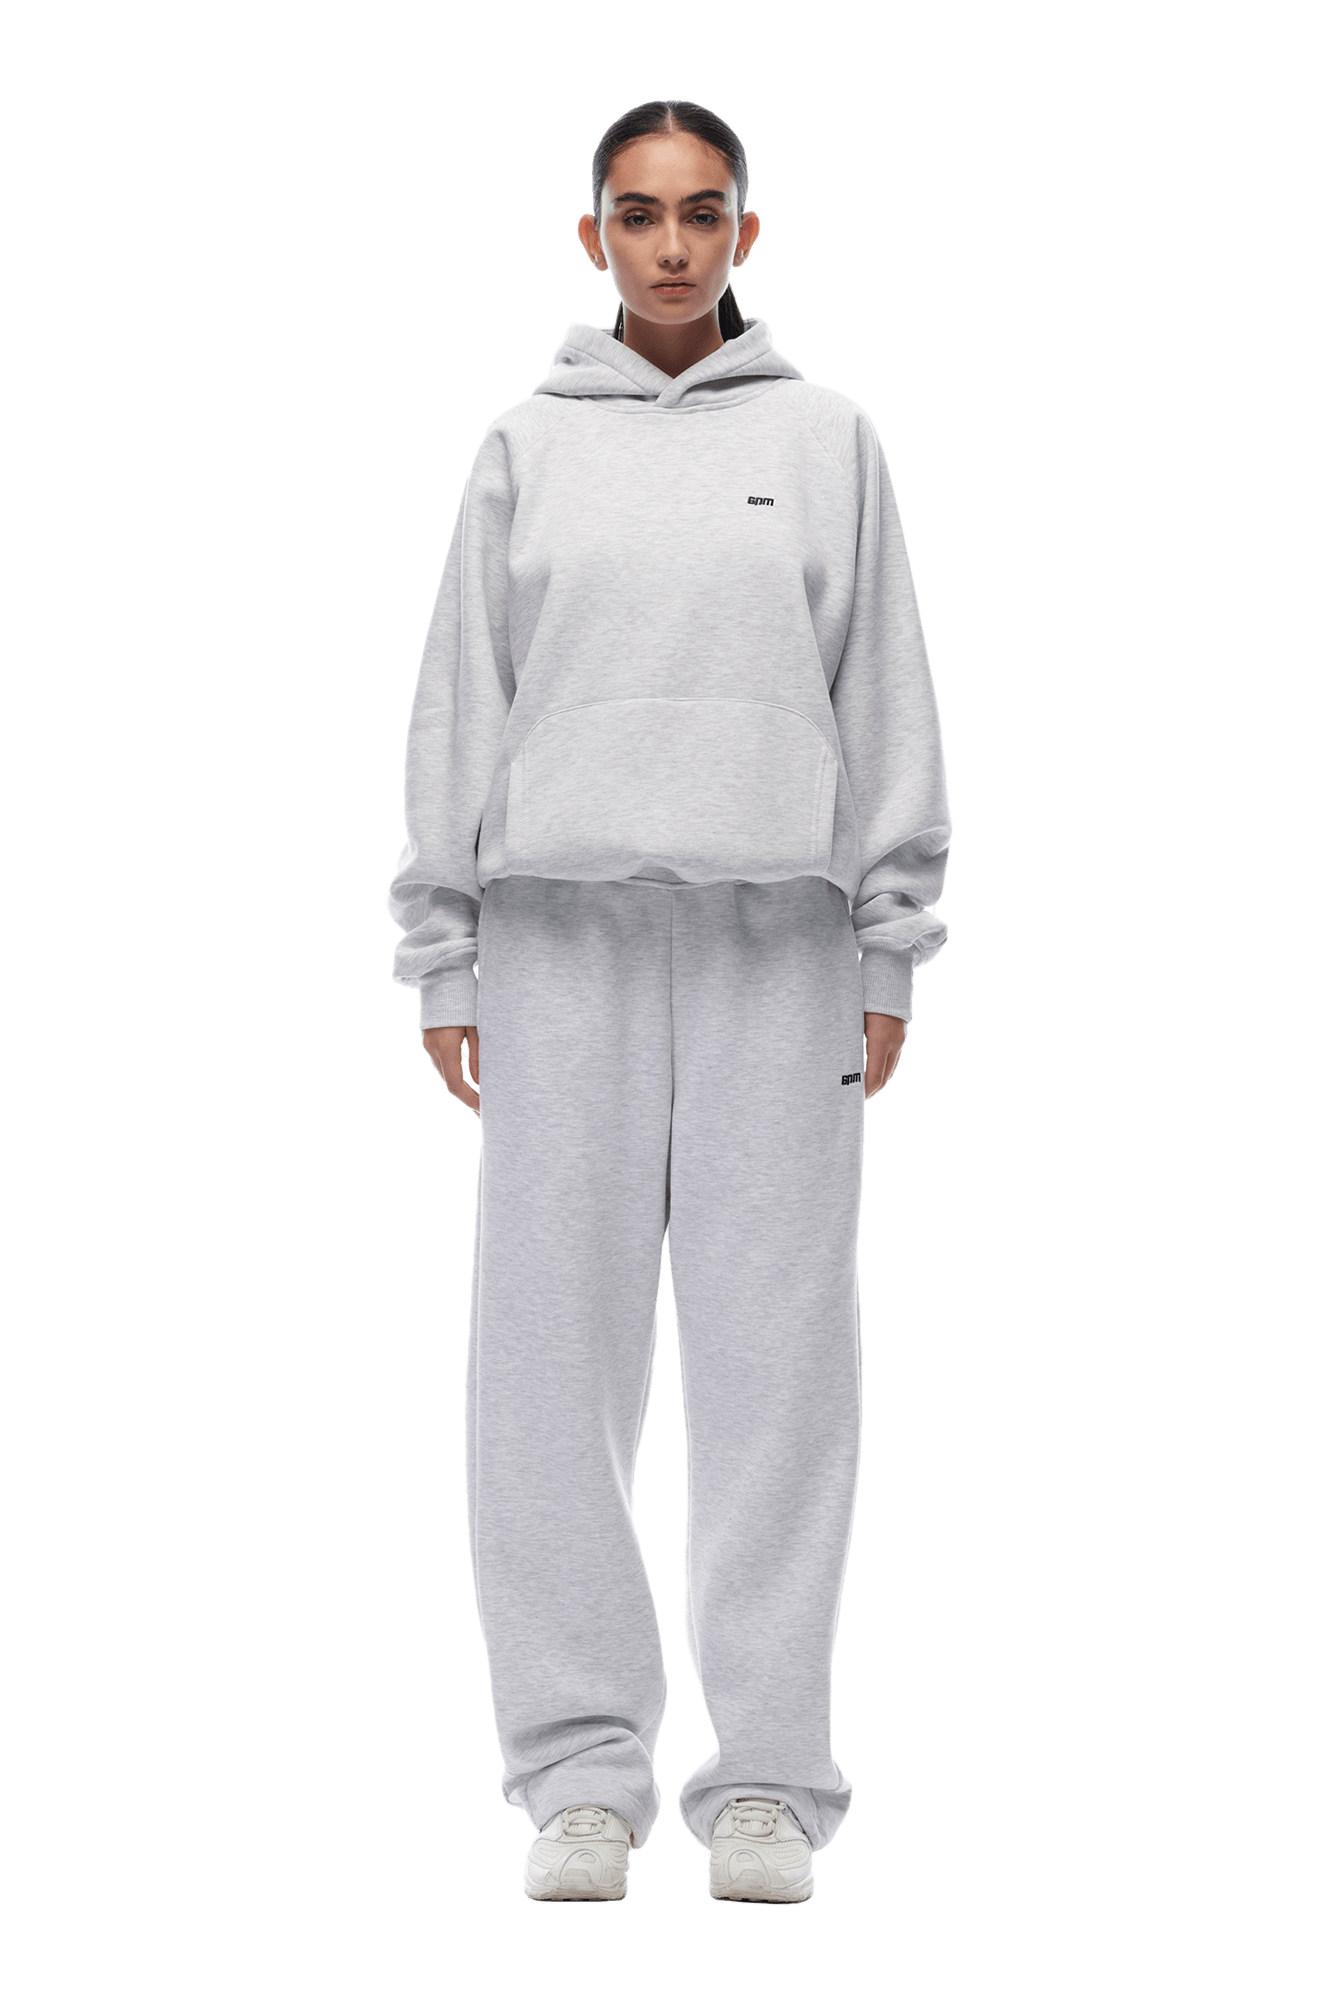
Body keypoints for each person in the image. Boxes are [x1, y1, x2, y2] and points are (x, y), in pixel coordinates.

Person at [383, 96, 953, 1908]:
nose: (674, 245)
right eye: (640, 215)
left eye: (705, 212)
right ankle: (577, 1778)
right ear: (594, 238)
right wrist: (444, 946)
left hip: (782, 949)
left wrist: (888, 938)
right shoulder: (522, 448)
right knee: (547, 1364)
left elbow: (886, 694)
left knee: (782, 1368)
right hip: (558, 948)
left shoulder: (832, 439)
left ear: (747, 234)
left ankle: (768, 1781)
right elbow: (460, 701)